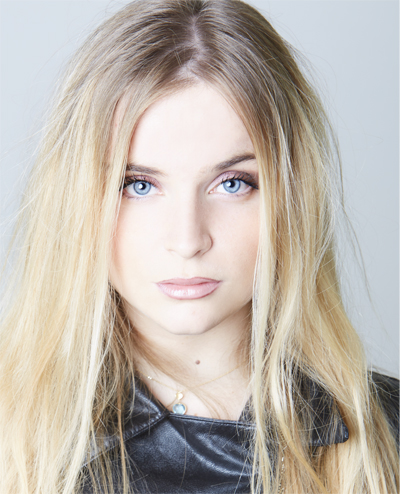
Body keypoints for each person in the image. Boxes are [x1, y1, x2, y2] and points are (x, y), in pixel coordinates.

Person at [0, 1, 398, 493]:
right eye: (138, 185)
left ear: (293, 199)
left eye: (232, 183)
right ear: (75, 200)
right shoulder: (14, 439)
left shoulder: (385, 436)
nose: (188, 240)